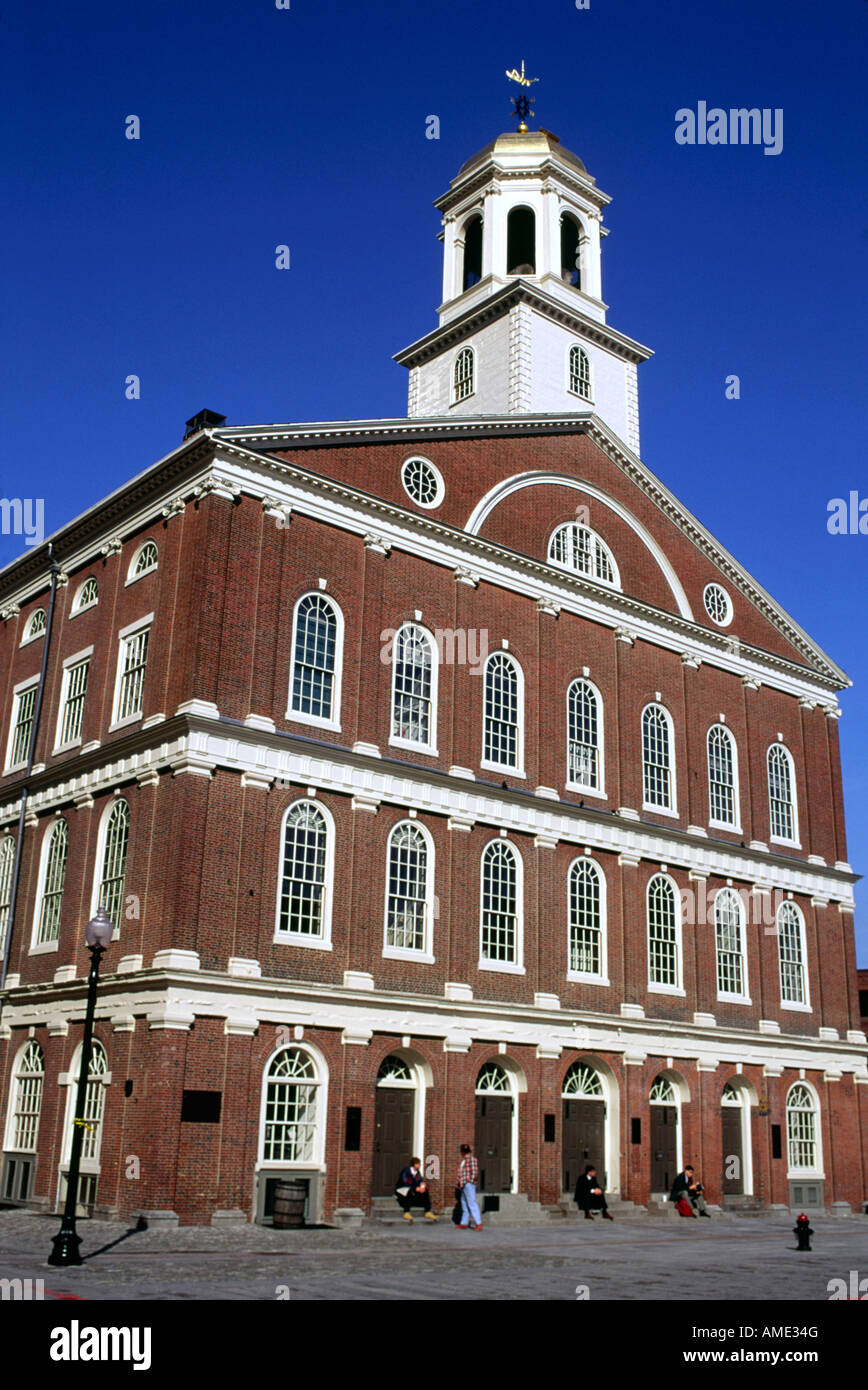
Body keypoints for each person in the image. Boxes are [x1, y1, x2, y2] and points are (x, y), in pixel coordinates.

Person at [395, 1157, 437, 1222]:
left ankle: (427, 1211)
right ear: (414, 1164)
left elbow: (420, 1180)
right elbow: (405, 1183)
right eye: (418, 1164)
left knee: (425, 1191)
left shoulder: (417, 1172)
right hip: (402, 1189)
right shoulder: (406, 1171)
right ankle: (406, 1212)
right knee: (408, 1191)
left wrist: (422, 1186)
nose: (420, 1165)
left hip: (414, 1188)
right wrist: (415, 1188)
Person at [456, 1143, 482, 1230]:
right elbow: (461, 1173)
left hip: (468, 1185)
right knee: (464, 1203)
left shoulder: (472, 1159)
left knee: (472, 1203)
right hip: (463, 1185)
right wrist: (459, 1183)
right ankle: (464, 1223)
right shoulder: (463, 1161)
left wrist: (469, 1181)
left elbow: (474, 1173)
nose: (463, 1153)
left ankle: (478, 1223)